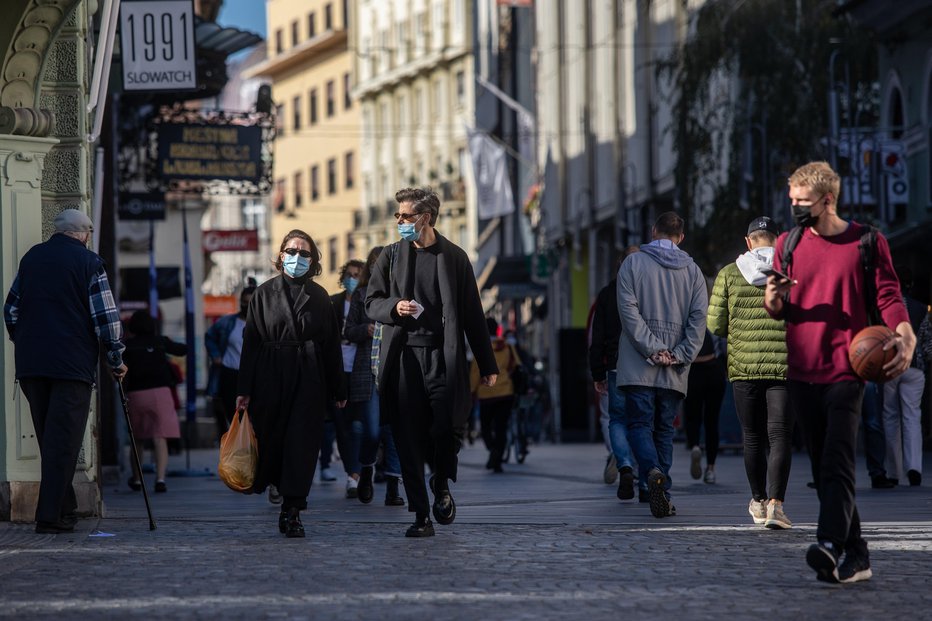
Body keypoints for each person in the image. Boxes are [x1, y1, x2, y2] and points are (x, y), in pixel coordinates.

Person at [764, 161, 915, 584]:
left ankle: (829, 544)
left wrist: (905, 334)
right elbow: (778, 311)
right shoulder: (788, 244)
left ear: (827, 200)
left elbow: (889, 296)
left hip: (848, 372)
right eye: (791, 199)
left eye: (801, 201)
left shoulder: (866, 241)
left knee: (837, 461)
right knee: (821, 469)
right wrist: (773, 298)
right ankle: (859, 555)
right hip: (801, 372)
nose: (793, 207)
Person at [366, 187, 498, 538]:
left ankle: (441, 482)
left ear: (425, 218)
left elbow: (472, 312)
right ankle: (421, 515)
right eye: (398, 216)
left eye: (405, 216)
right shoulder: (391, 256)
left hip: (444, 356)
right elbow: (371, 301)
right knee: (406, 436)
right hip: (404, 356)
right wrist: (394, 307)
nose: (399, 222)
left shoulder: (454, 257)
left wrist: (488, 365)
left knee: (447, 429)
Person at [3, 209, 127, 534]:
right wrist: (116, 357)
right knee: (64, 441)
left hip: (32, 364)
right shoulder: (90, 263)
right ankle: (49, 517)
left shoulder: (32, 258)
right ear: (84, 234)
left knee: (50, 439)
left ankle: (65, 508)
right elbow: (106, 319)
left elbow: (11, 309)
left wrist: (25, 340)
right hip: (71, 365)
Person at [236, 230, 347, 538]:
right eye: (292, 250)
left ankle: (293, 509)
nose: (297, 257)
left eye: (304, 252)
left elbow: (331, 346)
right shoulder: (263, 293)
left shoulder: (319, 296)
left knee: (302, 443)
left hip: (308, 375)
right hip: (269, 375)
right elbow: (251, 343)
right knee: (273, 440)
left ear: (312, 260)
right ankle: (277, 485)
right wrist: (244, 389)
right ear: (281, 254)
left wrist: (339, 389)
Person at [616, 211, 708, 519]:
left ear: (654, 231)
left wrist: (652, 348)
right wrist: (679, 353)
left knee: (639, 425)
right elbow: (698, 320)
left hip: (638, 363)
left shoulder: (632, 263)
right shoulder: (693, 272)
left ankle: (652, 471)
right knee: (664, 429)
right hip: (674, 367)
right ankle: (662, 490)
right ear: (680, 237)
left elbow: (628, 311)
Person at [708, 216, 793, 529]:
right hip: (784, 366)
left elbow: (715, 325)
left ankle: (757, 500)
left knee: (753, 436)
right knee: (781, 436)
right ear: (777, 239)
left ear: (748, 242)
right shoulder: (790, 272)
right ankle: (776, 505)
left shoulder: (730, 274)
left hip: (743, 367)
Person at [343, 246, 405, 506]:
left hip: (396, 370)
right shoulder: (360, 294)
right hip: (368, 372)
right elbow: (348, 331)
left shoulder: (402, 293)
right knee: (370, 431)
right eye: (376, 263)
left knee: (394, 431)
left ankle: (393, 486)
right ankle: (367, 468)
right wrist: (364, 329)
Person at [589, 246, 639, 500]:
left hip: (616, 367)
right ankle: (645, 472)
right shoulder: (647, 293)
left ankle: (625, 465)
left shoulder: (607, 295)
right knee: (642, 421)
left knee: (617, 420)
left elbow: (596, 338)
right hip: (645, 366)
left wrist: (597, 373)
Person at [122, 310, 187, 493]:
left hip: (136, 394)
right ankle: (160, 479)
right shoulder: (160, 341)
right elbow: (182, 350)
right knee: (160, 438)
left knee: (138, 439)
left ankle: (136, 479)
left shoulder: (128, 345)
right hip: (161, 393)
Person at [881, 269, 928, 487]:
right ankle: (914, 467)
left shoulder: (882, 307)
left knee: (890, 417)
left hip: (889, 365)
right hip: (915, 367)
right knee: (912, 416)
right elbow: (927, 341)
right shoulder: (920, 308)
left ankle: (893, 471)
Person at [328, 259, 365, 499]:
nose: (353, 279)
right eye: (350, 275)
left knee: (360, 426)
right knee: (341, 427)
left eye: (358, 275)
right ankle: (352, 475)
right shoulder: (332, 303)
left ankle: (363, 471)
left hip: (361, 372)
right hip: (338, 371)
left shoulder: (368, 303)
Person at [470, 318, 522, 473]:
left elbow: (474, 372)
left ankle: (493, 450)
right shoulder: (507, 346)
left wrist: (471, 390)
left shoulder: (480, 347)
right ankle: (497, 458)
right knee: (501, 427)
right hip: (506, 392)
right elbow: (517, 366)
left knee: (486, 427)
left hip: (486, 393)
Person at [205, 286, 255, 437]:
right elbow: (209, 337)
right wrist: (215, 355)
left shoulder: (264, 324)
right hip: (229, 373)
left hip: (253, 376)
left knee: (252, 415)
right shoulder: (227, 322)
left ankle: (249, 443)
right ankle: (236, 444)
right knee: (232, 413)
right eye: (244, 302)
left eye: (251, 302)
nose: (247, 306)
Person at [682, 328, 726, 484]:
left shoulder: (688, 311)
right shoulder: (715, 314)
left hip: (692, 369)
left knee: (692, 416)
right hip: (714, 367)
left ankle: (694, 446)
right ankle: (710, 468)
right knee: (712, 421)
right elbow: (725, 343)